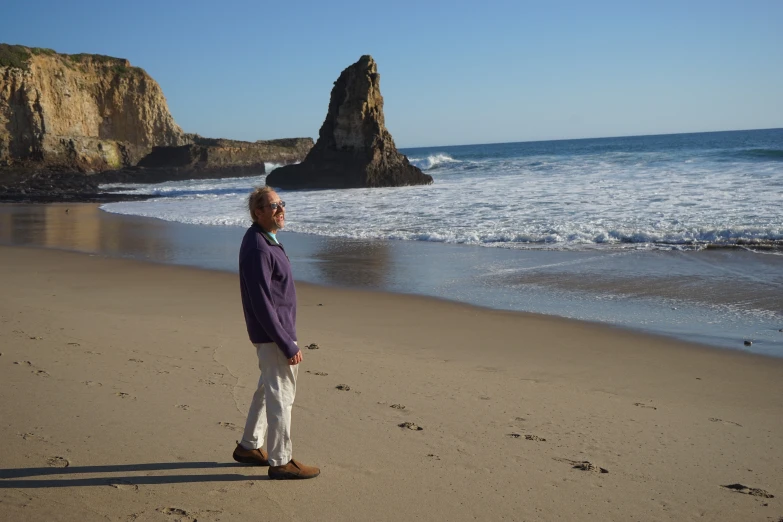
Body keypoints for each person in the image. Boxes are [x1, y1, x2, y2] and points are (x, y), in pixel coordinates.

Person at [232, 186, 320, 480]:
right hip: (274, 334)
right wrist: (286, 343)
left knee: (267, 389)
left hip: (276, 331)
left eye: (281, 203)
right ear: (258, 213)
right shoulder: (258, 246)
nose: (281, 209)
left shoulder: (264, 240)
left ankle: (249, 446)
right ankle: (282, 461)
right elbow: (261, 302)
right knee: (282, 394)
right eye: (273, 206)